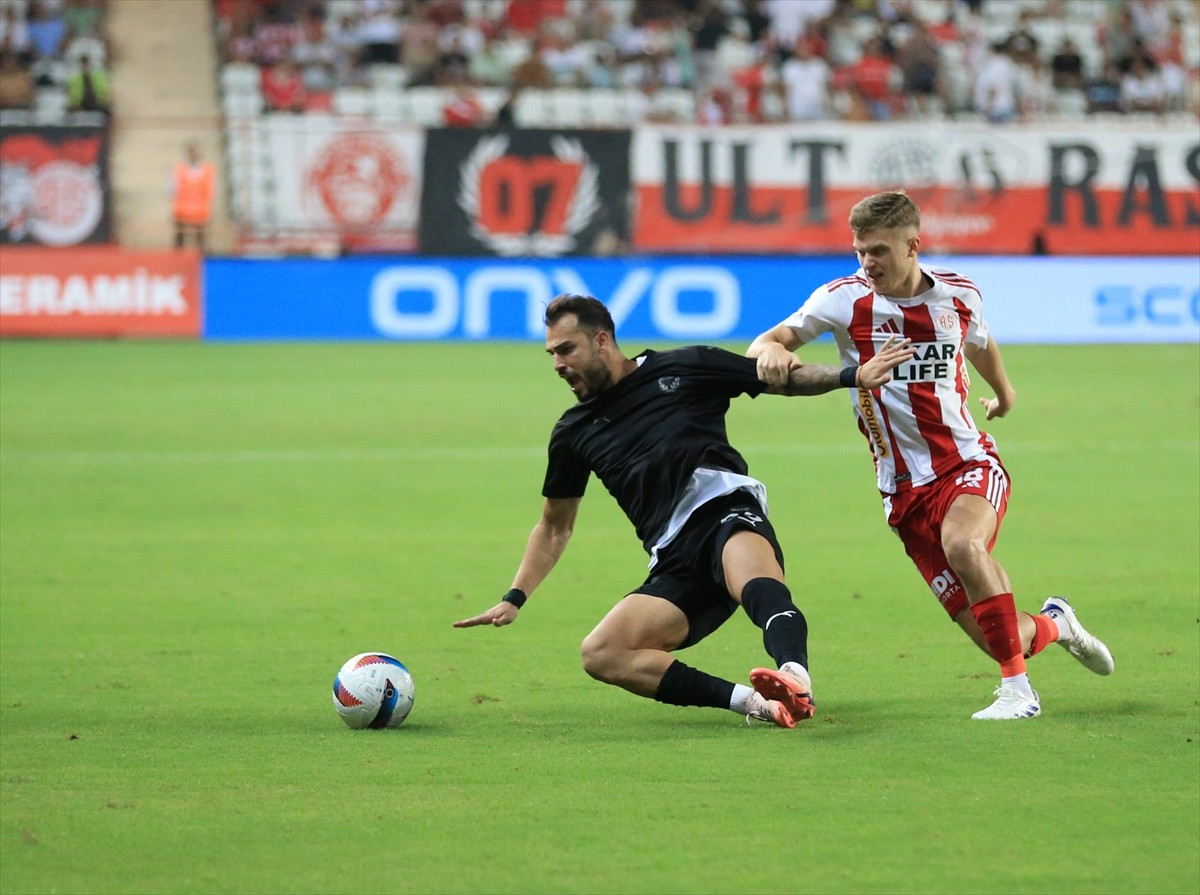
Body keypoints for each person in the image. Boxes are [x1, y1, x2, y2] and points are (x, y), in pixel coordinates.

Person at [454, 294, 916, 728]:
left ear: (601, 340)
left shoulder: (684, 366)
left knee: (756, 584)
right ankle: (755, 704)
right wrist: (515, 597)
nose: (558, 364)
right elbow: (554, 528)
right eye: (552, 353)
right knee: (602, 653)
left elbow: (780, 378)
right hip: (673, 557)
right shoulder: (573, 432)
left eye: (567, 350)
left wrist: (850, 375)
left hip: (724, 509)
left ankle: (796, 676)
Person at [747, 191, 1114, 721]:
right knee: (1001, 637)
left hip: (968, 463)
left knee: (963, 544)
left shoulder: (958, 295)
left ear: (913, 245)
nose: (867, 263)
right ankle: (1057, 623)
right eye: (859, 252)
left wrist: (1005, 392)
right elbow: (769, 341)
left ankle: (1018, 692)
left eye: (878, 251)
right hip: (901, 492)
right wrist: (774, 351)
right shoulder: (842, 300)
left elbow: (979, 341)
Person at [170, 141, 215, 252]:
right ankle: (177, 260)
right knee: (179, 238)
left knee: (201, 239)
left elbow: (211, 190)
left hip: (201, 211)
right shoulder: (179, 170)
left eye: (194, 151)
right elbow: (172, 189)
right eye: (190, 151)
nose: (192, 154)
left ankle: (202, 260)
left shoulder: (208, 170)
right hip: (182, 210)